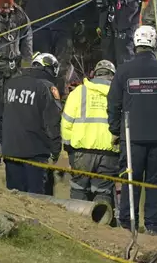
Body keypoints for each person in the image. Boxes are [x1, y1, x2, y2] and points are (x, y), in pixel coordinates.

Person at [107, 25, 157, 235]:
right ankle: (152, 226)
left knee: (130, 181)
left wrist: (116, 131)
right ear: (155, 43)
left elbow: (113, 103)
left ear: (135, 43)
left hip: (131, 138)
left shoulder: (124, 71)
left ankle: (126, 225)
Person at [0, 52, 62, 193]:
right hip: (36, 152)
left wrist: (4, 141)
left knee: (14, 196)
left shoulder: (10, 83)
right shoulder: (47, 87)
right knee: (35, 199)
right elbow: (52, 122)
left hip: (11, 149)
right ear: (50, 68)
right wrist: (56, 149)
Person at [61, 60, 119, 213]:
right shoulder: (119, 94)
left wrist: (69, 148)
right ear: (112, 76)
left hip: (81, 152)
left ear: (94, 74)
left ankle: (78, 224)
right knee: (104, 191)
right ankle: (102, 224)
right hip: (109, 153)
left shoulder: (79, 92)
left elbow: (66, 122)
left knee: (79, 188)